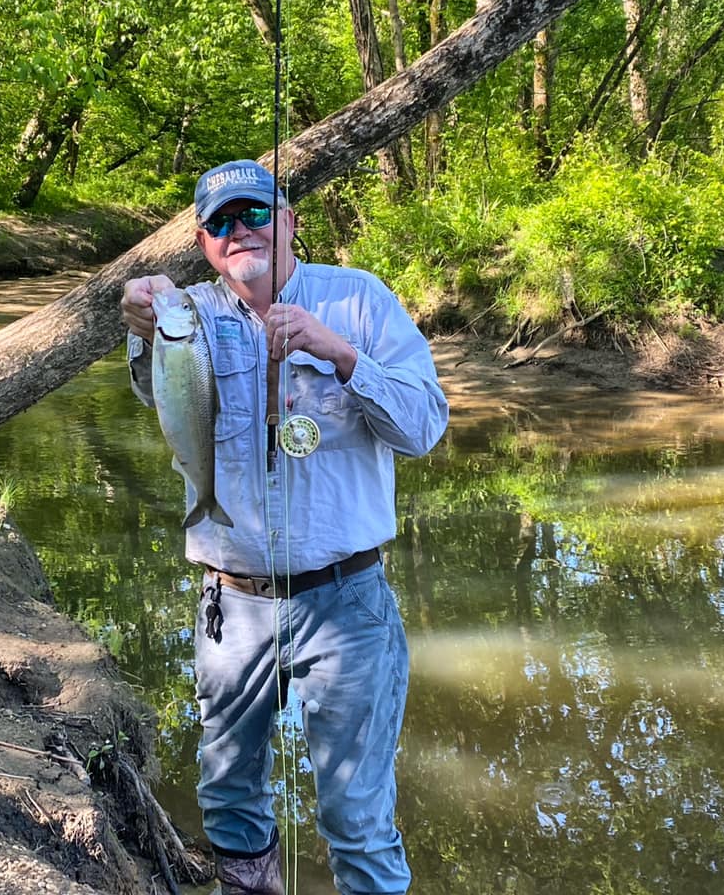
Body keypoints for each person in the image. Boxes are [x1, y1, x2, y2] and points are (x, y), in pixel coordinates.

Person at [120, 159, 449, 895]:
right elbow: (153, 392)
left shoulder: (359, 300)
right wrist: (141, 321)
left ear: (292, 220)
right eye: (220, 224)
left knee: (357, 815)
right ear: (204, 242)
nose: (240, 232)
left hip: (348, 602)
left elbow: (424, 426)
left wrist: (340, 354)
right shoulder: (189, 313)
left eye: (256, 214)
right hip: (231, 601)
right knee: (229, 796)